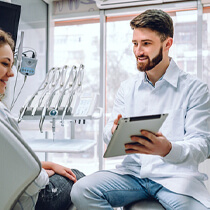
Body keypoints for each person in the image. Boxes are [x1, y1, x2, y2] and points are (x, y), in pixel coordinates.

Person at [71, 9, 210, 210]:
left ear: (167, 44)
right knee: (81, 190)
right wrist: (113, 132)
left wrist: (168, 149)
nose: (138, 51)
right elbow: (107, 132)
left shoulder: (195, 89)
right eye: (135, 44)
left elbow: (203, 144)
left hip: (175, 178)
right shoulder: (128, 88)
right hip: (133, 175)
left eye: (146, 44)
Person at [0, 29, 85, 210]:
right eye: (4, 63)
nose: (11, 73)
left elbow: (13, 162)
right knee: (80, 178)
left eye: (11, 65)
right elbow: (33, 183)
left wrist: (50, 165)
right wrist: (46, 172)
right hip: (26, 200)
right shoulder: (3, 117)